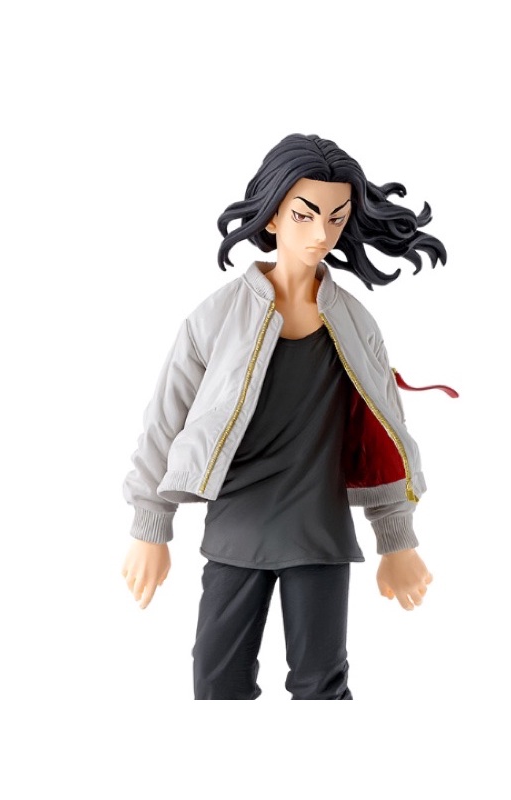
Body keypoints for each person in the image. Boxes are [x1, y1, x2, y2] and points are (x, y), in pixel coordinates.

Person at [121, 133, 451, 700]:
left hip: (319, 534)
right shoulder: (216, 317)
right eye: (304, 214)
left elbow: (387, 432)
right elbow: (165, 421)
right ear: (272, 215)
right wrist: (151, 525)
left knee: (321, 687)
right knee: (216, 683)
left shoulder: (355, 323)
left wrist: (397, 538)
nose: (321, 233)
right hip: (236, 530)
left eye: (336, 218)